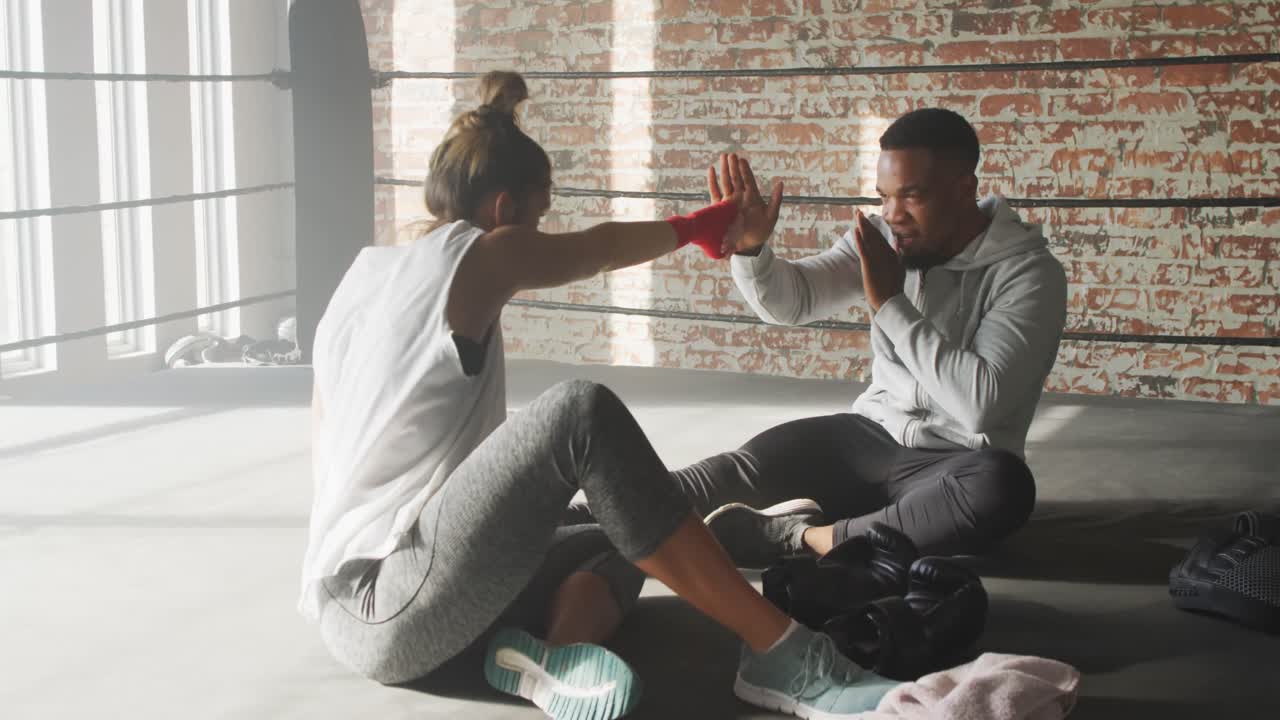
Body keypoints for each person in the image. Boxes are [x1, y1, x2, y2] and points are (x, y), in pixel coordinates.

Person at [299, 71, 898, 720]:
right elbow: (599, 250)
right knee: (577, 414)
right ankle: (783, 654)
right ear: (506, 212)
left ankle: (549, 660)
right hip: (397, 606)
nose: (540, 231)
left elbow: (331, 455)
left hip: (353, 607)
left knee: (622, 522)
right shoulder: (481, 254)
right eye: (540, 215)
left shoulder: (360, 285)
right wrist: (701, 227)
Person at [675, 108, 1069, 567]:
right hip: (867, 438)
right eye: (884, 197)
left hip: (954, 462)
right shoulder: (885, 237)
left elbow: (980, 405)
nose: (893, 214)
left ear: (965, 189)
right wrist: (754, 252)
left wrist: (890, 304)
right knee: (737, 470)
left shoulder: (1028, 273)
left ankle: (796, 537)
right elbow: (794, 300)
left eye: (912, 196)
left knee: (1004, 487)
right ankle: (590, 511)